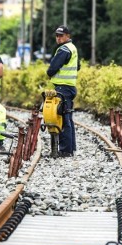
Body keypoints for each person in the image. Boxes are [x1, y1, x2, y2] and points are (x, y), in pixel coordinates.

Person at [46, 25, 80, 158]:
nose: (58, 38)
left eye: (61, 35)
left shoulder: (64, 49)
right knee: (68, 118)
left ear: (68, 36)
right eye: (57, 36)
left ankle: (65, 150)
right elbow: (78, 66)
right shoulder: (73, 48)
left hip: (63, 88)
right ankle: (70, 148)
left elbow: (54, 66)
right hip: (69, 87)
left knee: (63, 118)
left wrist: (49, 73)